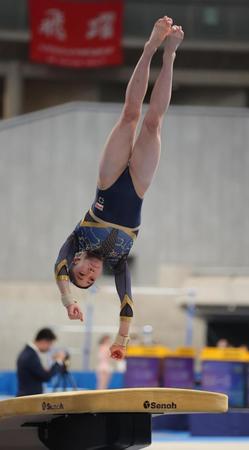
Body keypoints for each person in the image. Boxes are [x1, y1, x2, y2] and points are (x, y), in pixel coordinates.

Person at [55, 17, 184, 360]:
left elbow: (59, 267)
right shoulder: (120, 261)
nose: (89, 272)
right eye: (90, 279)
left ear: (77, 261)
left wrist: (69, 299)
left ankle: (150, 47)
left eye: (80, 272)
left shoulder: (76, 241)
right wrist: (121, 340)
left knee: (130, 114)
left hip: (109, 181)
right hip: (139, 187)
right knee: (153, 122)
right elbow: (126, 303)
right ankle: (169, 55)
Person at [16, 328, 65, 396]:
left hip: (27, 397)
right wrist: (58, 361)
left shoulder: (28, 353)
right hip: (28, 399)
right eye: (50, 344)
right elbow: (45, 376)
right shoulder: (31, 356)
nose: (50, 348)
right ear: (44, 341)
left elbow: (38, 373)